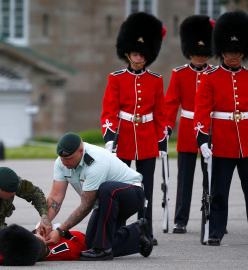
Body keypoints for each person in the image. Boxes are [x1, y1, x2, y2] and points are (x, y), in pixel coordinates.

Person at [193, 10, 248, 246]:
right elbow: (202, 110)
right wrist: (202, 138)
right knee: (219, 192)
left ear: (243, 50)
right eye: (229, 49)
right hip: (222, 142)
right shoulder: (210, 77)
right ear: (221, 50)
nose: (233, 54)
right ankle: (216, 231)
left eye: (237, 50)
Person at [100, 12, 167, 245]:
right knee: (122, 188)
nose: (138, 57)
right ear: (127, 53)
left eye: (142, 54)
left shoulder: (156, 80)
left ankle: (145, 229)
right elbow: (109, 110)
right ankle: (118, 228)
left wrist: (162, 141)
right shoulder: (116, 78)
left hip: (147, 139)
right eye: (135, 53)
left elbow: (160, 114)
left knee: (146, 189)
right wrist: (110, 137)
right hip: (124, 139)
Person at [40, 132, 153, 261]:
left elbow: (86, 205)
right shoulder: (61, 163)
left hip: (132, 194)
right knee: (90, 245)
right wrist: (45, 221)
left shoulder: (95, 161)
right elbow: (56, 196)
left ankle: (104, 250)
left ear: (81, 151)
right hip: (107, 203)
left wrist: (60, 231)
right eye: (61, 158)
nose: (64, 162)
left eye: (68, 158)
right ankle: (137, 234)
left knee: (106, 189)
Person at [165, 15, 214, 234]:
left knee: (211, 177)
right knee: (184, 178)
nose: (200, 58)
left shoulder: (214, 74)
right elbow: (171, 104)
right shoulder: (179, 73)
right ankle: (180, 219)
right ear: (189, 53)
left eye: (203, 54)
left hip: (211, 128)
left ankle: (212, 216)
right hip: (186, 128)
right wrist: (166, 128)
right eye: (196, 54)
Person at [0, 224, 87, 265]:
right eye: (37, 235)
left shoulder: (31, 251)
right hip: (85, 240)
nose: (37, 233)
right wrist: (61, 231)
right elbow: (79, 246)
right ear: (45, 247)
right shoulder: (64, 249)